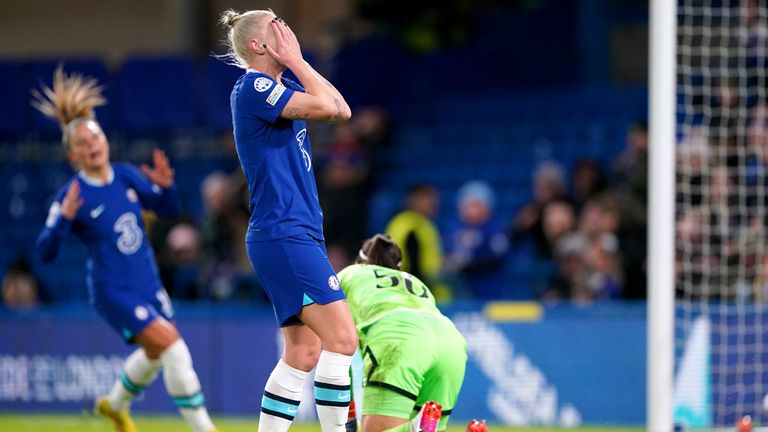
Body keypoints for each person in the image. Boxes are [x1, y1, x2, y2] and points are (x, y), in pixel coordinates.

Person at [33, 67, 218, 432]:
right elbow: (45, 252)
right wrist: (61, 222)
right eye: (83, 144)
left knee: (155, 353)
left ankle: (115, 405)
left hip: (147, 284)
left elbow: (166, 210)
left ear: (106, 141)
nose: (92, 146)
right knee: (174, 350)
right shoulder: (72, 195)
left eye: (96, 138)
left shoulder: (126, 175)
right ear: (73, 156)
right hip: (113, 290)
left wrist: (166, 189)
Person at [220, 9, 357, 432]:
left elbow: (341, 108)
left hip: (289, 234)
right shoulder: (254, 86)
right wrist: (297, 60)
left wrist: (297, 63)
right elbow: (330, 111)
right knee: (343, 340)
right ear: (258, 45)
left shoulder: (280, 87)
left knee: (303, 354)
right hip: (285, 232)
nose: (288, 31)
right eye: (277, 26)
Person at [338, 234, 467, 432]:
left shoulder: (350, 274)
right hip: (450, 340)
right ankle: (421, 428)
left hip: (399, 335)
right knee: (430, 427)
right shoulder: (415, 282)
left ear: (361, 260)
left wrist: (348, 418)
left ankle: (412, 429)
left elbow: (338, 348)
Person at [443, 181, 509, 299]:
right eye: (466, 205)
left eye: (474, 205)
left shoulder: (494, 230)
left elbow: (495, 258)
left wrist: (467, 266)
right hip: (459, 291)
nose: (469, 209)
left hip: (488, 290)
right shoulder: (454, 230)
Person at [385, 184, 448, 299]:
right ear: (414, 200)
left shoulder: (425, 224)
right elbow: (407, 263)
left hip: (427, 290)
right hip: (413, 292)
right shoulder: (408, 226)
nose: (434, 203)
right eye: (428, 199)